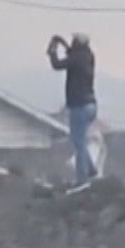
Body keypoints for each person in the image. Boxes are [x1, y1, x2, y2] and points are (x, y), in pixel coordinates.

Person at [48, 33, 98, 183]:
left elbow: (57, 64)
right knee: (79, 140)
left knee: (78, 142)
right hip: (91, 105)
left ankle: (82, 177)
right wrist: (65, 46)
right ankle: (91, 170)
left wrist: (53, 50)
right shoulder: (88, 56)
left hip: (79, 105)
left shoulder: (76, 58)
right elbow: (73, 55)